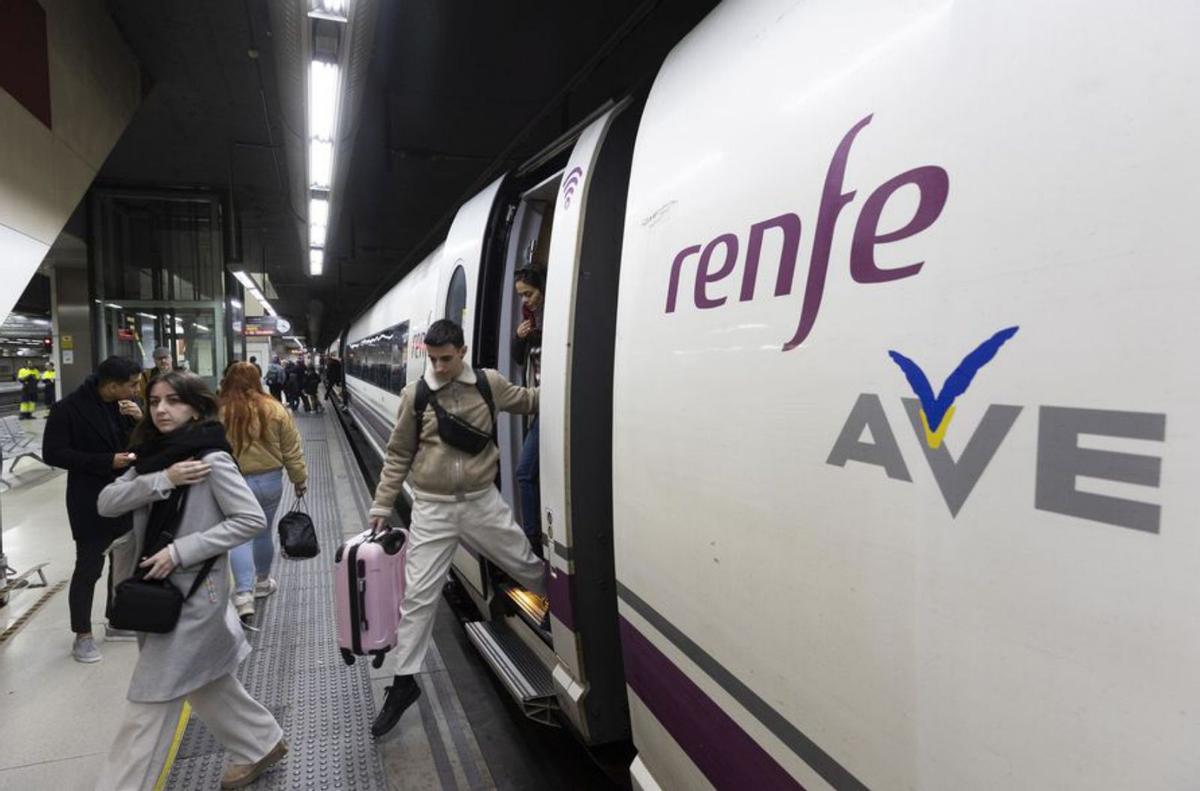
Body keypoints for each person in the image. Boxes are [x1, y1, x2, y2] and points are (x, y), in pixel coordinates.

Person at [94, 372, 287, 790]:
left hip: (194, 595)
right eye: (155, 401)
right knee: (205, 680)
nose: (162, 409)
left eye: (174, 401)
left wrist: (182, 550)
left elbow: (250, 519)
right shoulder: (153, 455)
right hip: (158, 593)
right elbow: (107, 502)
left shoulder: (210, 458)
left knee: (151, 699)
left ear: (196, 407)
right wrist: (165, 479)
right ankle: (261, 743)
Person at [367, 319, 544, 738]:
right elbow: (398, 455)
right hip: (431, 509)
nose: (439, 367)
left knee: (527, 565)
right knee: (419, 597)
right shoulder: (417, 395)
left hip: (482, 503)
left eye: (446, 359)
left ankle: (569, 618)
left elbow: (528, 400)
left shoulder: (489, 384)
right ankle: (405, 680)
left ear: (462, 352)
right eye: (432, 359)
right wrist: (382, 504)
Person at [42, 356, 144, 662]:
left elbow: (147, 443)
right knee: (89, 568)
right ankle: (82, 635)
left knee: (123, 563)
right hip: (90, 500)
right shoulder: (67, 409)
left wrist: (141, 419)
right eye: (132, 384)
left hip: (125, 495)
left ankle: (117, 619)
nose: (137, 388)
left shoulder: (125, 406)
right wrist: (105, 462)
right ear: (111, 385)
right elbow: (54, 453)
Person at [218, 362, 308, 622]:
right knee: (263, 532)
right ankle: (262, 582)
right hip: (269, 481)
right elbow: (292, 449)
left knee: (239, 537)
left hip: (233, 483)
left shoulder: (221, 411)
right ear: (258, 380)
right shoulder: (274, 408)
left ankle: (243, 595)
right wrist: (299, 480)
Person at [511, 267, 545, 558]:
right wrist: (520, 338)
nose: (527, 300)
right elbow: (519, 360)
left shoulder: (557, 312)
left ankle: (533, 540)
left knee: (524, 472)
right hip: (538, 406)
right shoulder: (530, 320)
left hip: (549, 406)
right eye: (522, 296)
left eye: (529, 293)